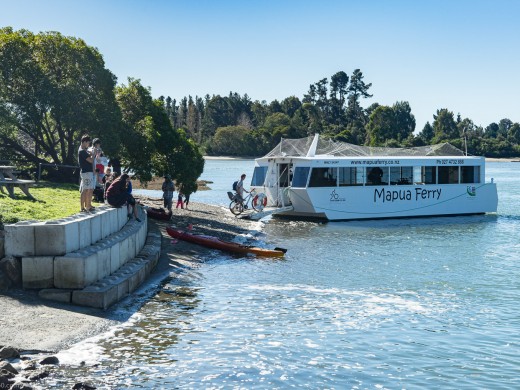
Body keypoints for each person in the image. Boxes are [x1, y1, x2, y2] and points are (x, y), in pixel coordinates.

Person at [78, 134, 96, 212]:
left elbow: (89, 158)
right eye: (88, 143)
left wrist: (91, 154)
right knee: (86, 189)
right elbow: (91, 160)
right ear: (84, 142)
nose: (89, 145)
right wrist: (94, 154)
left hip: (88, 172)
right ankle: (83, 207)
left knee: (89, 188)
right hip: (86, 173)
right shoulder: (82, 151)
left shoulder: (83, 150)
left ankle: (87, 205)